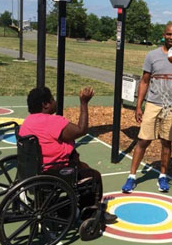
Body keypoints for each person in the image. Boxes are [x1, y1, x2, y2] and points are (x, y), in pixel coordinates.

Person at [19, 86, 117, 223]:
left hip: (35, 167)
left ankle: (65, 204)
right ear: (45, 104)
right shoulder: (52, 121)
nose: (54, 101)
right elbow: (81, 130)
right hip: (56, 169)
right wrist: (84, 103)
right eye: (52, 99)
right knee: (94, 176)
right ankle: (90, 213)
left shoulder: (28, 122)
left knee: (84, 167)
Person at [121, 23, 172, 193]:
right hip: (153, 103)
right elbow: (145, 81)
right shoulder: (152, 55)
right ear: (164, 35)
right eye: (169, 34)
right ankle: (131, 176)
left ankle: (162, 176)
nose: (171, 37)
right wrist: (139, 105)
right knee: (143, 140)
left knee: (166, 142)